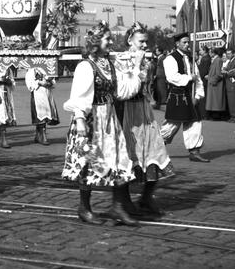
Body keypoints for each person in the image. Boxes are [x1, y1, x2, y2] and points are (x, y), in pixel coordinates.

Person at [62, 21, 140, 226]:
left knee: (119, 160)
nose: (111, 42)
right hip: (91, 119)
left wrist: (135, 69)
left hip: (109, 117)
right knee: (88, 162)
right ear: (96, 42)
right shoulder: (86, 66)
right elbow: (79, 97)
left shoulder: (110, 64)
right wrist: (80, 121)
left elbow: (123, 91)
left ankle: (118, 207)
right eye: (107, 39)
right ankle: (84, 208)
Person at [115, 22, 174, 217]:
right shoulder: (121, 60)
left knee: (155, 151)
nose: (144, 45)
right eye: (141, 41)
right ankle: (124, 202)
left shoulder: (148, 60)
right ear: (130, 41)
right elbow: (126, 87)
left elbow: (147, 86)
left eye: (146, 42)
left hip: (144, 110)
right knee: (129, 156)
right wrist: (137, 64)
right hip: (128, 112)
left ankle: (146, 198)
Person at [159, 32, 208, 162]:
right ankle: (155, 146)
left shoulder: (191, 58)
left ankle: (194, 151)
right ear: (177, 44)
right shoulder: (170, 58)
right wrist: (188, 78)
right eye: (184, 42)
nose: (187, 45)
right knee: (172, 125)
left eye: (188, 42)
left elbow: (197, 78)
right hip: (178, 96)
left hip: (191, 95)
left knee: (194, 122)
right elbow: (172, 77)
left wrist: (198, 95)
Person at [25, 67, 59, 145]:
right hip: (38, 94)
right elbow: (30, 84)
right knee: (41, 114)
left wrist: (50, 83)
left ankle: (38, 135)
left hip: (47, 93)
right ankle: (42, 136)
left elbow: (53, 82)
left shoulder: (46, 68)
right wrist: (39, 83)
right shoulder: (31, 70)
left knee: (47, 114)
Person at [205, 47, 226, 119]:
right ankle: (214, 115)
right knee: (214, 101)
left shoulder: (218, 60)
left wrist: (212, 80)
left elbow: (219, 73)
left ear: (213, 53)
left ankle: (217, 115)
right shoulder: (215, 60)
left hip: (216, 84)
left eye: (210, 52)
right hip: (212, 82)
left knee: (216, 101)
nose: (209, 54)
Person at [197, 46, 211, 120]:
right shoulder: (203, 58)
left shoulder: (205, 59)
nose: (200, 52)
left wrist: (198, 76)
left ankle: (204, 114)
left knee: (203, 98)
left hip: (203, 80)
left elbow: (203, 70)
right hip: (203, 79)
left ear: (205, 51)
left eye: (201, 50)